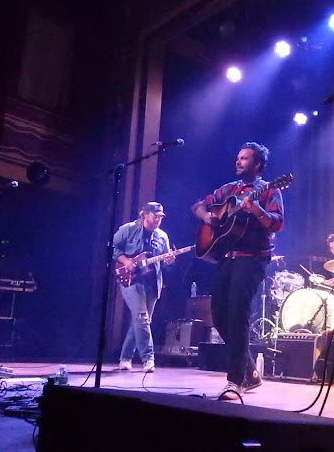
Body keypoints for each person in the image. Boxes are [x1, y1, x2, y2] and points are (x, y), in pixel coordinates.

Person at [192, 142, 284, 399]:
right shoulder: (228, 190)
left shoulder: (269, 189)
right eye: (238, 156)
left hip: (253, 258)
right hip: (227, 256)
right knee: (219, 315)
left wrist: (256, 209)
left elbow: (277, 223)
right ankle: (251, 371)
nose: (238, 161)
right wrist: (207, 217)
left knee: (237, 314)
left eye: (244, 158)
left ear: (257, 164)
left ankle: (235, 381)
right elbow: (199, 205)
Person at [112, 202, 175, 373]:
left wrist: (169, 262)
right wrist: (126, 261)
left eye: (160, 217)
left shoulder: (162, 236)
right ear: (144, 215)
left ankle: (125, 358)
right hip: (131, 280)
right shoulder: (128, 229)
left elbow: (165, 264)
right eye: (155, 215)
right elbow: (113, 247)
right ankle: (148, 358)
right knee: (141, 318)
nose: (157, 219)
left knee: (141, 321)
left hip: (152, 283)